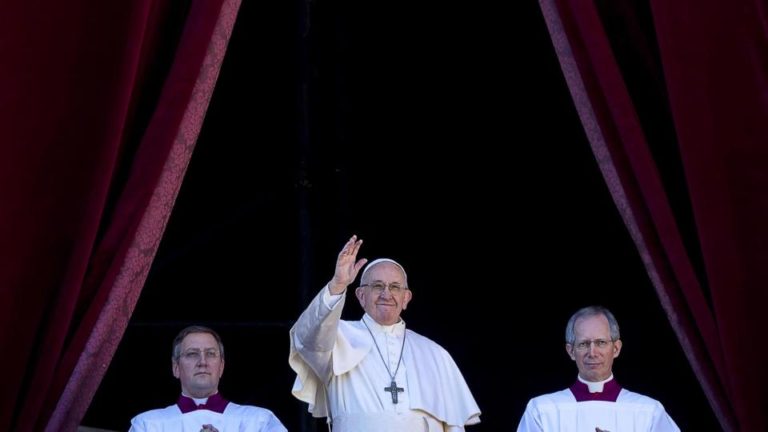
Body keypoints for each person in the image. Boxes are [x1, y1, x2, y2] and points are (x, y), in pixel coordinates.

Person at [289, 235, 481, 431]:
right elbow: (306, 339)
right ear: (361, 296)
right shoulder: (336, 338)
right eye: (378, 286)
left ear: (406, 298)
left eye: (395, 287)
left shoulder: (435, 354)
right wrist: (338, 284)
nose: (386, 294)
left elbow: (454, 425)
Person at [517, 306, 680, 432]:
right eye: (583, 344)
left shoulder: (648, 411)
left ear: (616, 348)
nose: (592, 353)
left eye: (601, 342)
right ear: (571, 351)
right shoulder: (542, 410)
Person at [129, 325, 287, 432]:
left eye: (211, 354)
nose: (202, 362)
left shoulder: (259, 421)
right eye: (192, 354)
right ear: (176, 367)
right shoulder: (148, 425)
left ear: (221, 367)